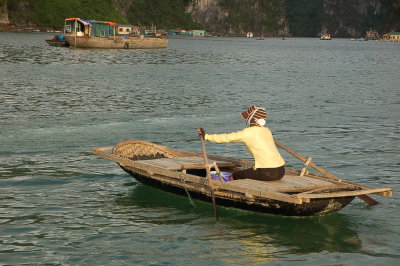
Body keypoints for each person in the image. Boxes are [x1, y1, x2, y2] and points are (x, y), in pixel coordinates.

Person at [197, 105, 285, 181]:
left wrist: (206, 136)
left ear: (252, 119)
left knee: (235, 176)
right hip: (281, 171)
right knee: (250, 172)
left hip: (267, 172)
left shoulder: (247, 132)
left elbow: (226, 137)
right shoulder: (267, 130)